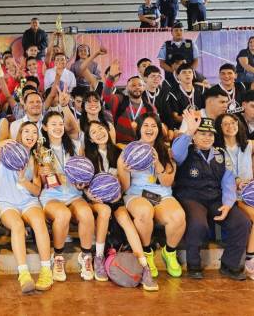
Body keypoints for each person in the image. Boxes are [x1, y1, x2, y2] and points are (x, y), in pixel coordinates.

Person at [172, 111, 251, 279]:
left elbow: (228, 182)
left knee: (241, 222)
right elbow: (176, 154)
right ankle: (194, 265)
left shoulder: (220, 154)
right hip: (190, 197)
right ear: (194, 135)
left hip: (215, 198)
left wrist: (228, 204)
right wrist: (188, 132)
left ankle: (230, 265)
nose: (207, 137)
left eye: (210, 134)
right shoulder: (185, 150)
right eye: (202, 133)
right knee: (198, 224)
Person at [83, 121, 158, 290]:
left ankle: (144, 266)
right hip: (97, 200)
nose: (99, 133)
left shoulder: (120, 153)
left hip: (117, 198)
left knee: (124, 217)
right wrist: (89, 194)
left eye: (101, 128)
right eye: (93, 132)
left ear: (108, 130)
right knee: (104, 211)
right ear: (90, 139)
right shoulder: (88, 157)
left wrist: (121, 177)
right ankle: (99, 258)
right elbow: (84, 184)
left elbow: (125, 187)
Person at [0, 122, 53, 293]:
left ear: (37, 138)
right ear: (20, 134)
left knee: (39, 222)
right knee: (17, 225)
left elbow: (36, 190)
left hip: (28, 201)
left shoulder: (37, 157)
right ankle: (24, 274)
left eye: (34, 132)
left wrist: (23, 181)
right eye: (26, 131)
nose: (30, 135)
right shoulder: (7, 150)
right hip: (7, 202)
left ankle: (46, 271)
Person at [118, 113, 186, 279]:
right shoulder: (128, 151)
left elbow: (168, 182)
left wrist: (156, 163)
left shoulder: (166, 151)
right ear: (139, 129)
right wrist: (126, 171)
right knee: (144, 211)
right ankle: (147, 251)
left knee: (178, 216)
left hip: (161, 194)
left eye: (153, 126)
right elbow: (124, 187)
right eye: (146, 125)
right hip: (136, 194)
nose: (149, 129)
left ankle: (169, 252)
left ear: (159, 129)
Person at [38, 112, 96, 282]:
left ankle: (86, 257)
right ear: (45, 127)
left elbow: (83, 174)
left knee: (86, 213)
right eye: (53, 124)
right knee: (63, 214)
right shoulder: (41, 149)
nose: (58, 127)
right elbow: (50, 182)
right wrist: (65, 177)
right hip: (51, 196)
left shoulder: (74, 145)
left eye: (60, 124)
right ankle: (58, 257)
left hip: (73, 194)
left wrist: (81, 183)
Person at [214, 113, 254, 279]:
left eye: (233, 122)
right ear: (220, 129)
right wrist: (237, 182)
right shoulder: (217, 150)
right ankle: (250, 259)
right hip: (234, 197)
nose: (231, 126)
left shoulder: (249, 145)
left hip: (250, 193)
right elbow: (223, 175)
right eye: (225, 124)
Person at [102, 60, 154, 144]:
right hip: (121, 146)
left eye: (140, 85)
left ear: (144, 88)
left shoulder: (150, 108)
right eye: (133, 85)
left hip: (143, 144)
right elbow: (106, 96)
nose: (137, 87)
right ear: (127, 88)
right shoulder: (119, 101)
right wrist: (111, 77)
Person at [168, 64, 205, 129]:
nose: (187, 74)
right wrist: (192, 121)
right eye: (184, 72)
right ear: (178, 76)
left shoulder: (201, 90)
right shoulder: (173, 93)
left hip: (201, 124)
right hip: (182, 126)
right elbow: (175, 117)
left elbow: (206, 111)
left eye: (190, 72)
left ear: (193, 75)